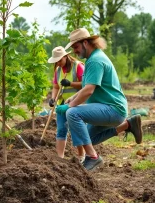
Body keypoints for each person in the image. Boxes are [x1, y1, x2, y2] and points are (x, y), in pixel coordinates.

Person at [56, 28, 142, 171]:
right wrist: (72, 98)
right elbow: (86, 87)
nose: (75, 51)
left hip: (113, 108)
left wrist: (70, 106)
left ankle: (93, 158)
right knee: (88, 138)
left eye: (76, 47)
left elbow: (89, 90)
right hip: (110, 108)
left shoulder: (95, 61)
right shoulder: (93, 58)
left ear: (85, 43)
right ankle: (128, 124)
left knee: (72, 113)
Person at [48, 46, 85, 162]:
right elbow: (55, 86)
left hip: (76, 103)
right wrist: (53, 98)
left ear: (66, 56)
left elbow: (86, 83)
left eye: (60, 60)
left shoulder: (78, 66)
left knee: (76, 129)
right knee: (61, 130)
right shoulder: (58, 70)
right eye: (56, 61)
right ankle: (60, 158)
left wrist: (70, 83)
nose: (58, 63)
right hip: (62, 104)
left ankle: (81, 156)